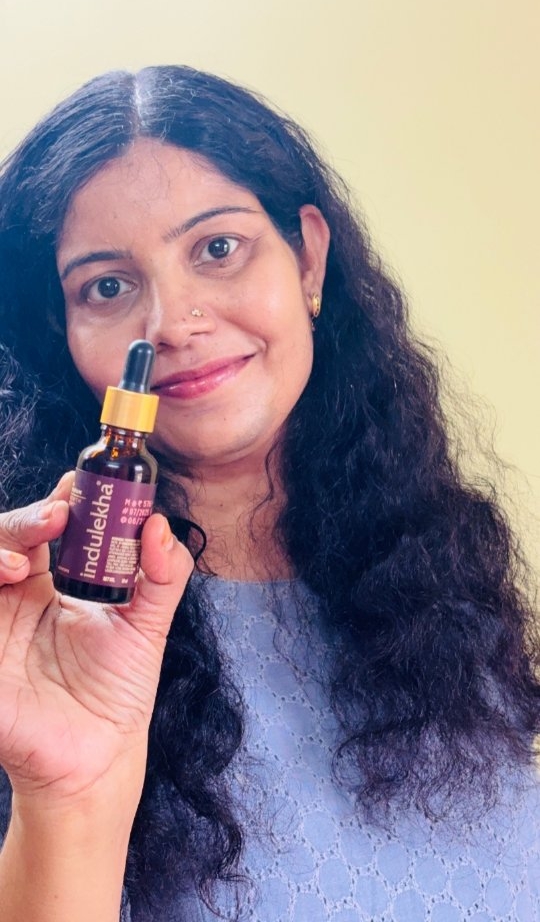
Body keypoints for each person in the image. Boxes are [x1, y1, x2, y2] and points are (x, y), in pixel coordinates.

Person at [0, 65, 538, 922]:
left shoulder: (440, 564)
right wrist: (68, 804)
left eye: (217, 249)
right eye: (107, 286)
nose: (172, 322)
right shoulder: (36, 636)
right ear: (56, 334)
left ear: (308, 257)